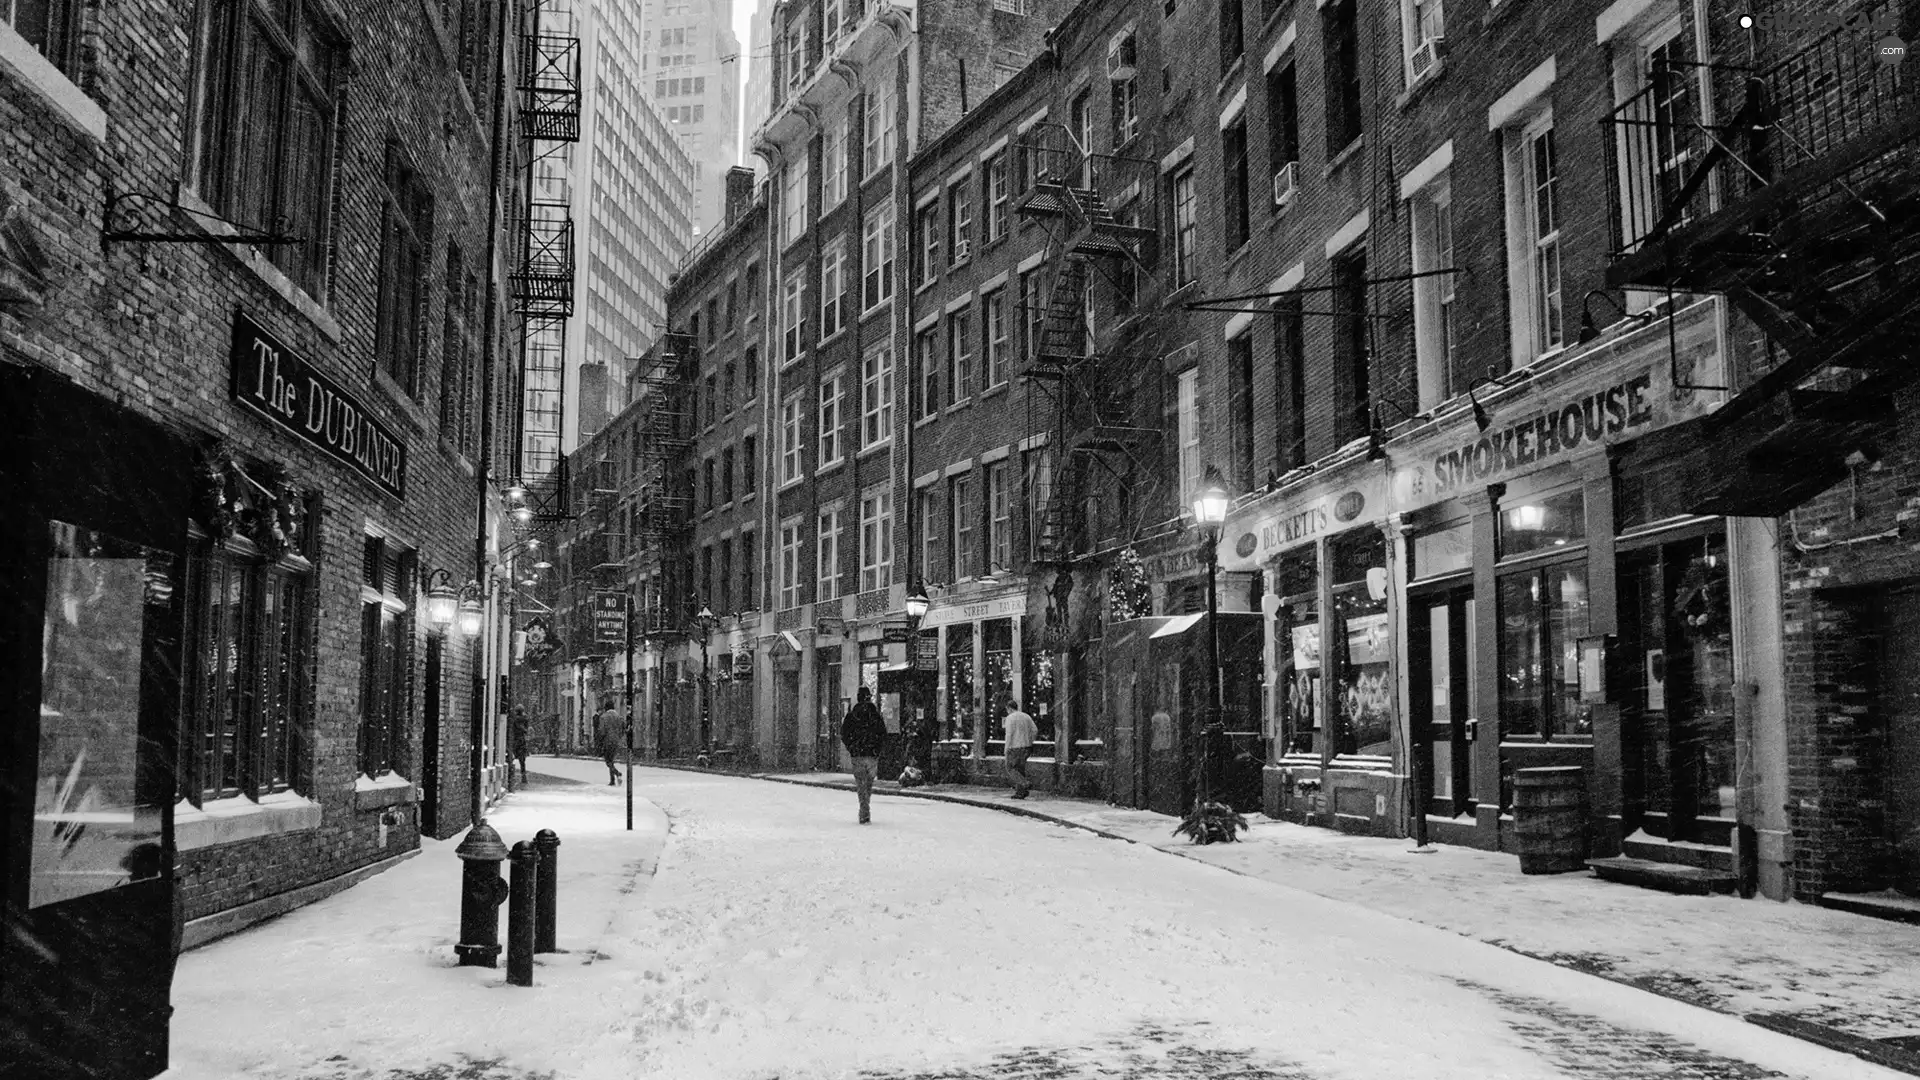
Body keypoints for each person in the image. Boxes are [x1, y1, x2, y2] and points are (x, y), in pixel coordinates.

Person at [840, 686, 887, 824]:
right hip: (872, 755)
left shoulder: (852, 715)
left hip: (858, 755)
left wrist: (852, 748)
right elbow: (883, 734)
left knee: (861, 784)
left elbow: (844, 734)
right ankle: (865, 808)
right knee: (868, 784)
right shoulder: (875, 716)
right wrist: (877, 749)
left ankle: (864, 809)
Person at [1002, 696, 1037, 799]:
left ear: (1009, 708)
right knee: (1020, 769)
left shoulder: (1010, 718)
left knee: (1010, 768)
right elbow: (1035, 730)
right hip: (1027, 747)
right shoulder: (1026, 716)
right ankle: (1021, 792)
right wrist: (1030, 741)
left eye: (1007, 709)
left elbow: (1009, 734)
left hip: (1014, 747)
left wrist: (1006, 748)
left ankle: (1025, 783)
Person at [596, 698, 622, 785]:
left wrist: (600, 740)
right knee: (612, 759)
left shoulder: (603, 717)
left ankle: (617, 773)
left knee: (608, 761)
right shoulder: (618, 716)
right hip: (616, 740)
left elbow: (602, 731)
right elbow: (622, 728)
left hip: (607, 740)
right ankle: (612, 780)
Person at [509, 706, 530, 785]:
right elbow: (526, 729)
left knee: (512, 757)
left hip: (516, 740)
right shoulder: (525, 719)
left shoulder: (515, 719)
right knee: (522, 760)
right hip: (521, 741)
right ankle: (523, 775)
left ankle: (511, 775)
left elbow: (516, 728)